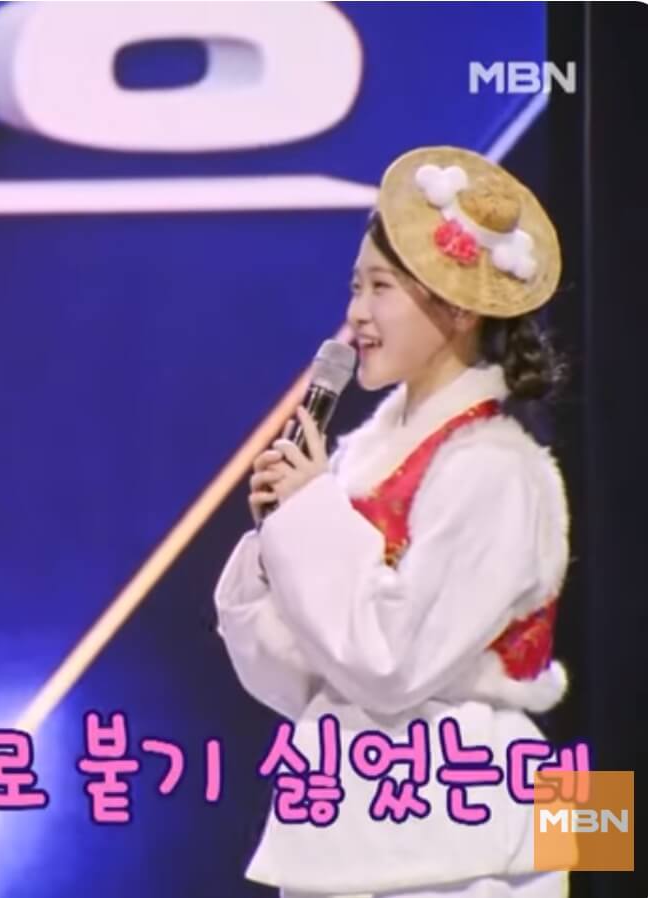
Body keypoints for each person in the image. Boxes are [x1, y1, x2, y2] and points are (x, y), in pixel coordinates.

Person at [213, 146, 574, 897]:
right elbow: (305, 678)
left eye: (380, 288)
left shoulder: (496, 469)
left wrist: (313, 517)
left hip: (466, 810)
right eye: (355, 286)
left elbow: (392, 665)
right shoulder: (358, 465)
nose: (355, 314)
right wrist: (277, 542)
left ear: (459, 309)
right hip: (360, 801)